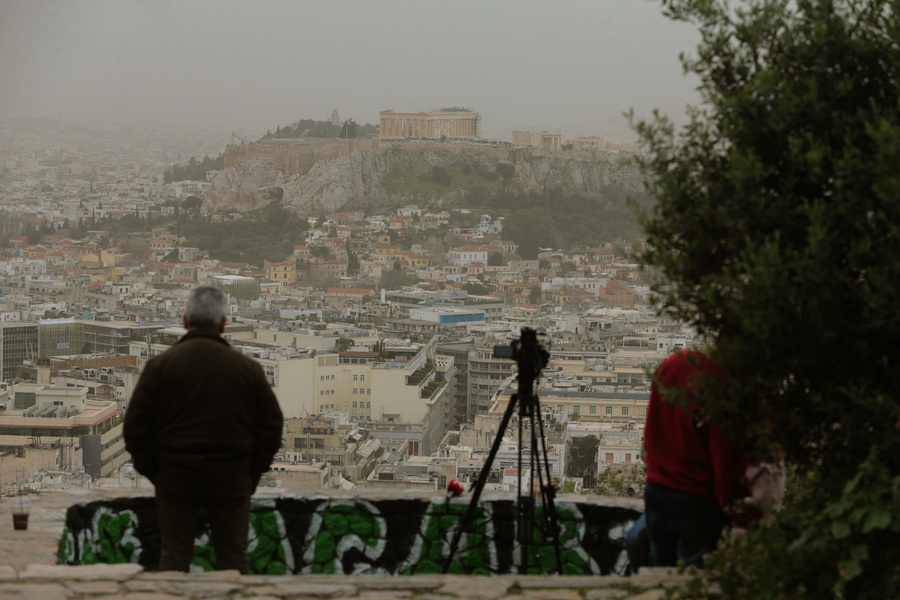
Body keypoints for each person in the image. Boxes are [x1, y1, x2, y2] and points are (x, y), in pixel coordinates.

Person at [124, 286, 284, 573]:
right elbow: (271, 426)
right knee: (233, 558)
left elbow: (135, 428)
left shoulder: (161, 366)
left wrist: (155, 471)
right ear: (223, 324)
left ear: (185, 321)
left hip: (176, 476)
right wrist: (251, 471)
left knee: (174, 558)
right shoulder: (247, 369)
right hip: (231, 476)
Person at [642, 349, 750, 567]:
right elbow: (727, 464)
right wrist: (741, 517)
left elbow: (652, 428)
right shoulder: (719, 385)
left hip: (656, 491)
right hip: (696, 499)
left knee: (659, 577)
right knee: (693, 578)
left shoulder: (673, 363)